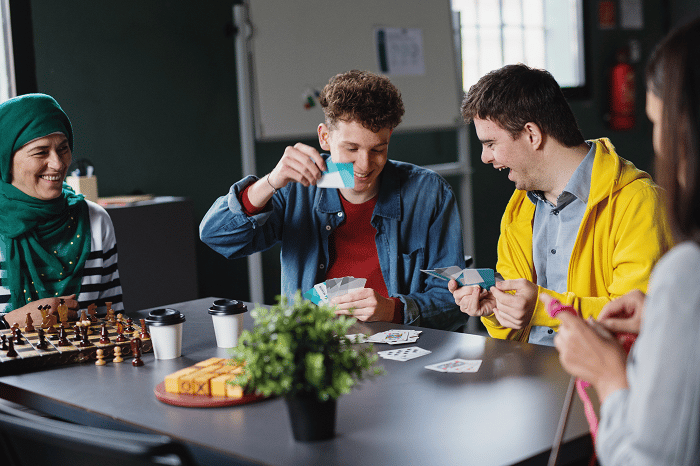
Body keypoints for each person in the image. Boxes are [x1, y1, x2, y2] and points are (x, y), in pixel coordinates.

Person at [200, 70, 466, 330]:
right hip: (314, 347)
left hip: (400, 352)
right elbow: (216, 236)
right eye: (351, 148)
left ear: (390, 137)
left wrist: (394, 310)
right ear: (325, 137)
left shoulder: (430, 193)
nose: (364, 165)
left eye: (378, 149)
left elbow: (454, 302)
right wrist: (270, 182)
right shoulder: (296, 189)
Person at [551, 18, 700, 464]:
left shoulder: (685, 267)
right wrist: (665, 319)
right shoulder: (518, 210)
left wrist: (609, 375)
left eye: (658, 122)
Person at [450, 64, 673, 345]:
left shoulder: (638, 201)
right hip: (530, 373)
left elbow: (633, 323)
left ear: (532, 135)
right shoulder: (519, 208)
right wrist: (495, 308)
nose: (484, 157)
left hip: (604, 377)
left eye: (491, 143)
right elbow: (512, 332)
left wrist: (543, 308)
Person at [0, 94, 123, 328]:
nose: (58, 164)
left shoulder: (96, 221)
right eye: (41, 152)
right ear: (5, 158)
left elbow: (113, 321)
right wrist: (10, 322)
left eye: (63, 148)